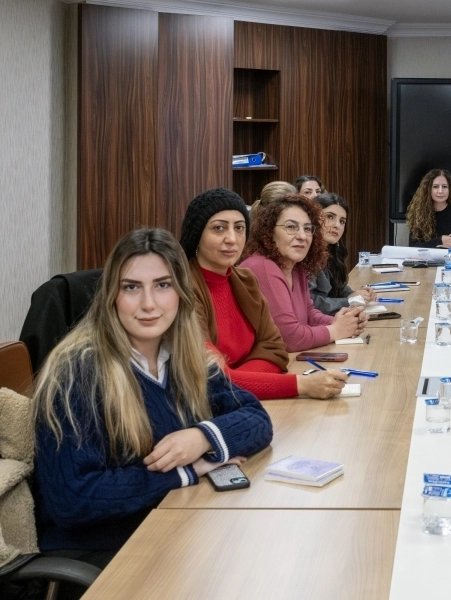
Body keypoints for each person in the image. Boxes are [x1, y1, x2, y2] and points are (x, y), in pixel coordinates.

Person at [32, 228, 273, 565]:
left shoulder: (184, 357)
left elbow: (257, 419)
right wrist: (188, 471)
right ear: (112, 295)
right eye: (131, 287)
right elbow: (73, 499)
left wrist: (201, 438)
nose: (148, 304)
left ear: (181, 294)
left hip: (173, 523)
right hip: (101, 549)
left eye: (163, 285)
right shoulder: (76, 372)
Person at [180, 188, 347, 400]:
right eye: (219, 228)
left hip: (242, 400)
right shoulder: (183, 290)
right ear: (197, 234)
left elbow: (276, 350)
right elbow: (211, 380)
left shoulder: (245, 280)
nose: (231, 238)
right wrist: (300, 384)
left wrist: (238, 383)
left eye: (239, 228)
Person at [242, 195, 367, 350]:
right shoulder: (263, 267)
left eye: (307, 228)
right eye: (291, 227)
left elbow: (309, 314)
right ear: (270, 232)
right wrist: (336, 330)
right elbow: (290, 338)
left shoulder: (297, 266)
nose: (302, 236)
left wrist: (345, 321)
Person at [308, 192, 376, 315]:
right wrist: (349, 301)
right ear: (313, 218)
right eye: (330, 217)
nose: (337, 225)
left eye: (342, 221)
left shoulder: (330, 252)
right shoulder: (305, 255)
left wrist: (357, 294)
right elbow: (310, 302)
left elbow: (337, 286)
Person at [406, 169, 451, 251]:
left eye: (444, 186)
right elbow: (413, 246)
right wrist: (440, 241)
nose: (441, 191)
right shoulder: (418, 213)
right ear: (428, 189)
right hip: (427, 258)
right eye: (435, 187)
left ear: (449, 189)